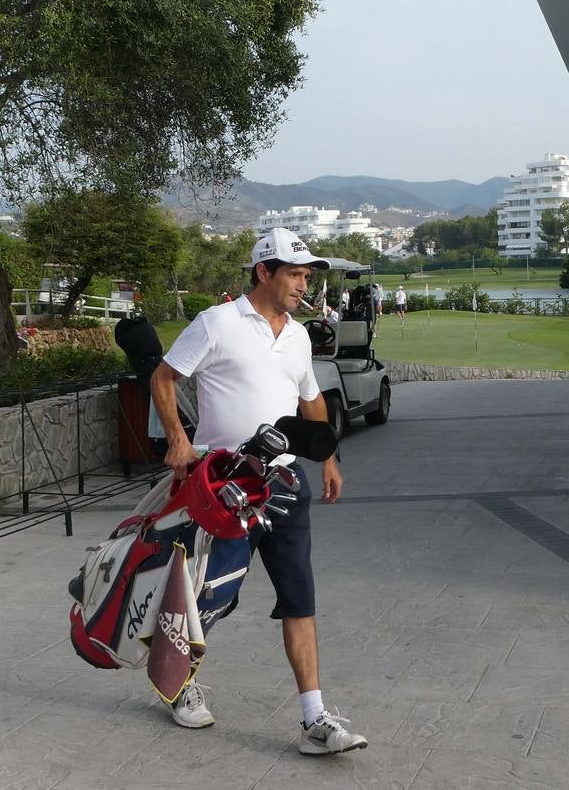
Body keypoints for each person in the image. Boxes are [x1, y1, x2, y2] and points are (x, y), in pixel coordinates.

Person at [149, 226, 368, 756]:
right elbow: (162, 378)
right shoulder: (217, 323)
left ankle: (315, 719)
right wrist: (179, 441)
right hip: (225, 486)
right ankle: (178, 682)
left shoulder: (297, 334)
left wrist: (329, 456)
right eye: (295, 274)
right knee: (212, 595)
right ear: (263, 272)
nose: (303, 284)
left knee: (300, 598)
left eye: (307, 275)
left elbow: (309, 401)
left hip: (285, 486)